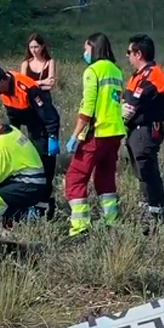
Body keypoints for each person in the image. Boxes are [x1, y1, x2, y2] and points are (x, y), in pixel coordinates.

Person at [64, 32, 127, 237]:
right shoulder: (116, 70)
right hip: (115, 132)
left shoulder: (93, 71)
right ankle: (111, 220)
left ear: (94, 48)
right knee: (105, 176)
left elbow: (88, 107)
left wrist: (75, 134)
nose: (84, 53)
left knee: (75, 177)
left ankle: (80, 226)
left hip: (97, 132)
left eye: (86, 49)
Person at [0, 63, 60, 214]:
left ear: (2, 82)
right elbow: (13, 119)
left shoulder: (28, 88)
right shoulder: (2, 91)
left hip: (42, 128)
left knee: (43, 166)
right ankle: (25, 198)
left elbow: (49, 115)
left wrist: (53, 136)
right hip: (26, 127)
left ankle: (44, 206)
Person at [123, 34, 164, 222]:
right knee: (140, 171)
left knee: (147, 169)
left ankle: (155, 213)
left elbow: (131, 104)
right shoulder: (138, 75)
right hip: (136, 129)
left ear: (138, 54)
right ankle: (146, 208)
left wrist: (124, 108)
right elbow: (125, 100)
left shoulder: (153, 76)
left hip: (147, 129)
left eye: (129, 52)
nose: (127, 56)